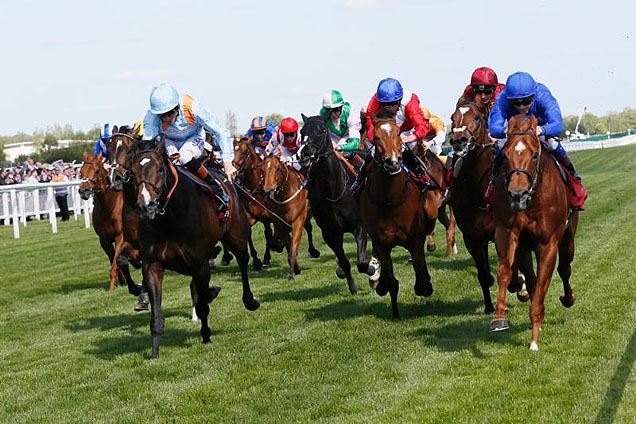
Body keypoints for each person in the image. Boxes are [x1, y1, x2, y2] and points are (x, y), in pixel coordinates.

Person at [485, 71, 586, 207]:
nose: (521, 107)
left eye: (526, 102)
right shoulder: (503, 98)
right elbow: (494, 127)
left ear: (533, 96)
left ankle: (574, 179)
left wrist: (542, 130)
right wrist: (509, 131)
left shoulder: (543, 94)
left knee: (553, 144)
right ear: (509, 99)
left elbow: (557, 124)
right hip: (515, 133)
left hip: (539, 128)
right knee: (501, 146)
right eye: (516, 103)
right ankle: (492, 183)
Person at [142, 83, 236, 217]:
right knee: (172, 160)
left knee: (184, 157)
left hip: (194, 136)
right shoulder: (151, 117)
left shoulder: (193, 107)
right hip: (169, 140)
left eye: (170, 114)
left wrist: (227, 163)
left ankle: (216, 188)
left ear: (177, 107)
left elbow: (220, 132)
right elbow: (148, 145)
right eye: (162, 116)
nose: (167, 119)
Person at [351, 78, 430, 192]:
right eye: (386, 105)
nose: (390, 108)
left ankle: (422, 177)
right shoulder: (374, 103)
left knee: (405, 150)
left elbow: (422, 126)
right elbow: (371, 128)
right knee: (373, 153)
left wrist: (409, 138)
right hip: (384, 132)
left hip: (406, 132)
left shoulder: (410, 101)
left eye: (393, 104)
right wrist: (380, 140)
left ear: (400, 100)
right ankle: (359, 179)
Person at [319, 90, 362, 155]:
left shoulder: (351, 114)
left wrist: (339, 147)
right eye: (329, 111)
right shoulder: (322, 114)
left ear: (341, 107)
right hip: (332, 141)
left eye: (336, 110)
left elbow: (355, 143)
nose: (333, 114)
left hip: (348, 138)